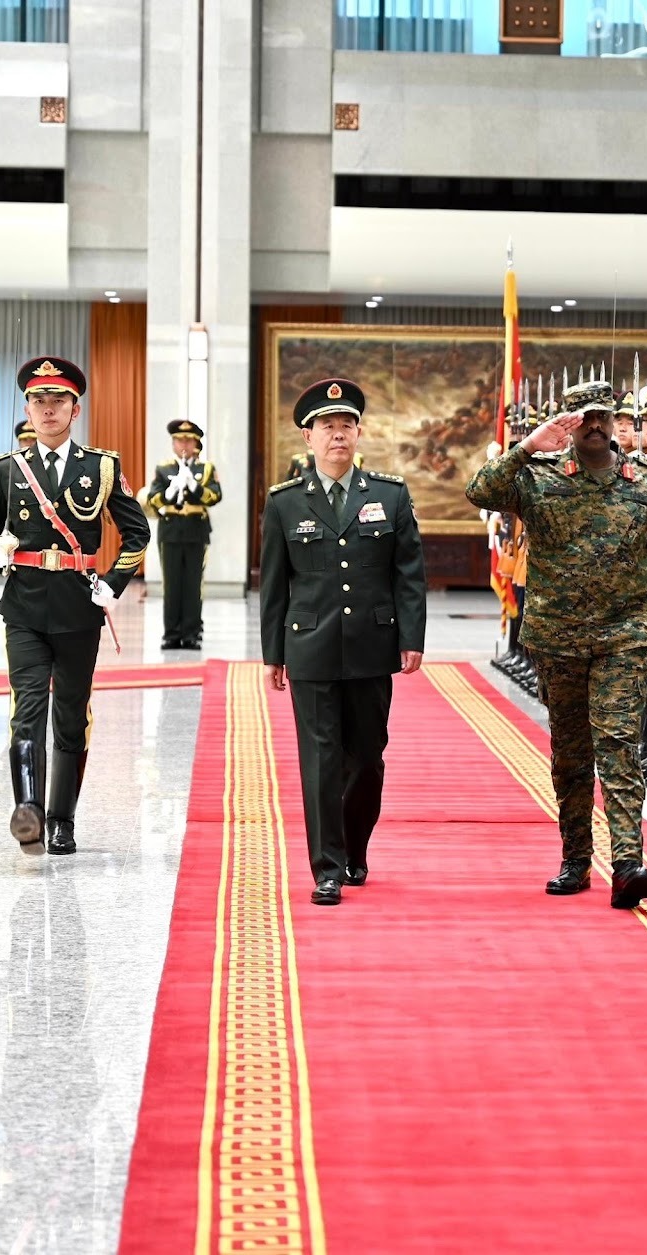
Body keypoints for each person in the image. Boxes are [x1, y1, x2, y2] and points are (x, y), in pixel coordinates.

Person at [465, 378, 647, 908]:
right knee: (571, 754)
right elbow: (480, 492)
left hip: (623, 636)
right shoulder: (537, 479)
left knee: (619, 744)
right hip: (557, 638)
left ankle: (628, 862)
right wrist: (527, 446)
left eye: (603, 415)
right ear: (566, 424)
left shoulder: (645, 484)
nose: (595, 425)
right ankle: (575, 859)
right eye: (583, 417)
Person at [260, 377, 427, 906]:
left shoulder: (389, 495)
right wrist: (272, 654)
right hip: (309, 645)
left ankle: (355, 848)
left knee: (367, 758)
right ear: (308, 439)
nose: (338, 435)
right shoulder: (285, 503)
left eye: (346, 425)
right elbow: (273, 584)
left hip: (371, 646)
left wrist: (412, 636)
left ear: (359, 434)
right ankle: (326, 868)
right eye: (327, 427)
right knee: (319, 761)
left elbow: (409, 574)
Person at [0, 357, 151, 855]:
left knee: (71, 713)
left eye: (57, 401)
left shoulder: (101, 466)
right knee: (26, 706)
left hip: (77, 607)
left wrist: (113, 583)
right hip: (24, 606)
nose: (47, 409)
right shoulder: (7, 470)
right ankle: (27, 808)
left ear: (75, 409)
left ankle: (62, 820)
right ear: (27, 408)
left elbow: (137, 532)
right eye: (37, 401)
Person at [145, 418, 223, 650]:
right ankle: (171, 633)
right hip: (170, 529)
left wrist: (195, 486)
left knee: (192, 584)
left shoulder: (206, 468)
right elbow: (153, 498)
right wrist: (169, 493)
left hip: (196, 529)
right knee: (172, 584)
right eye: (179, 440)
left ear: (196, 443)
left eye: (188, 440)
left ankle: (191, 632)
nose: (183, 445)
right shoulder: (163, 468)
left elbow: (215, 496)